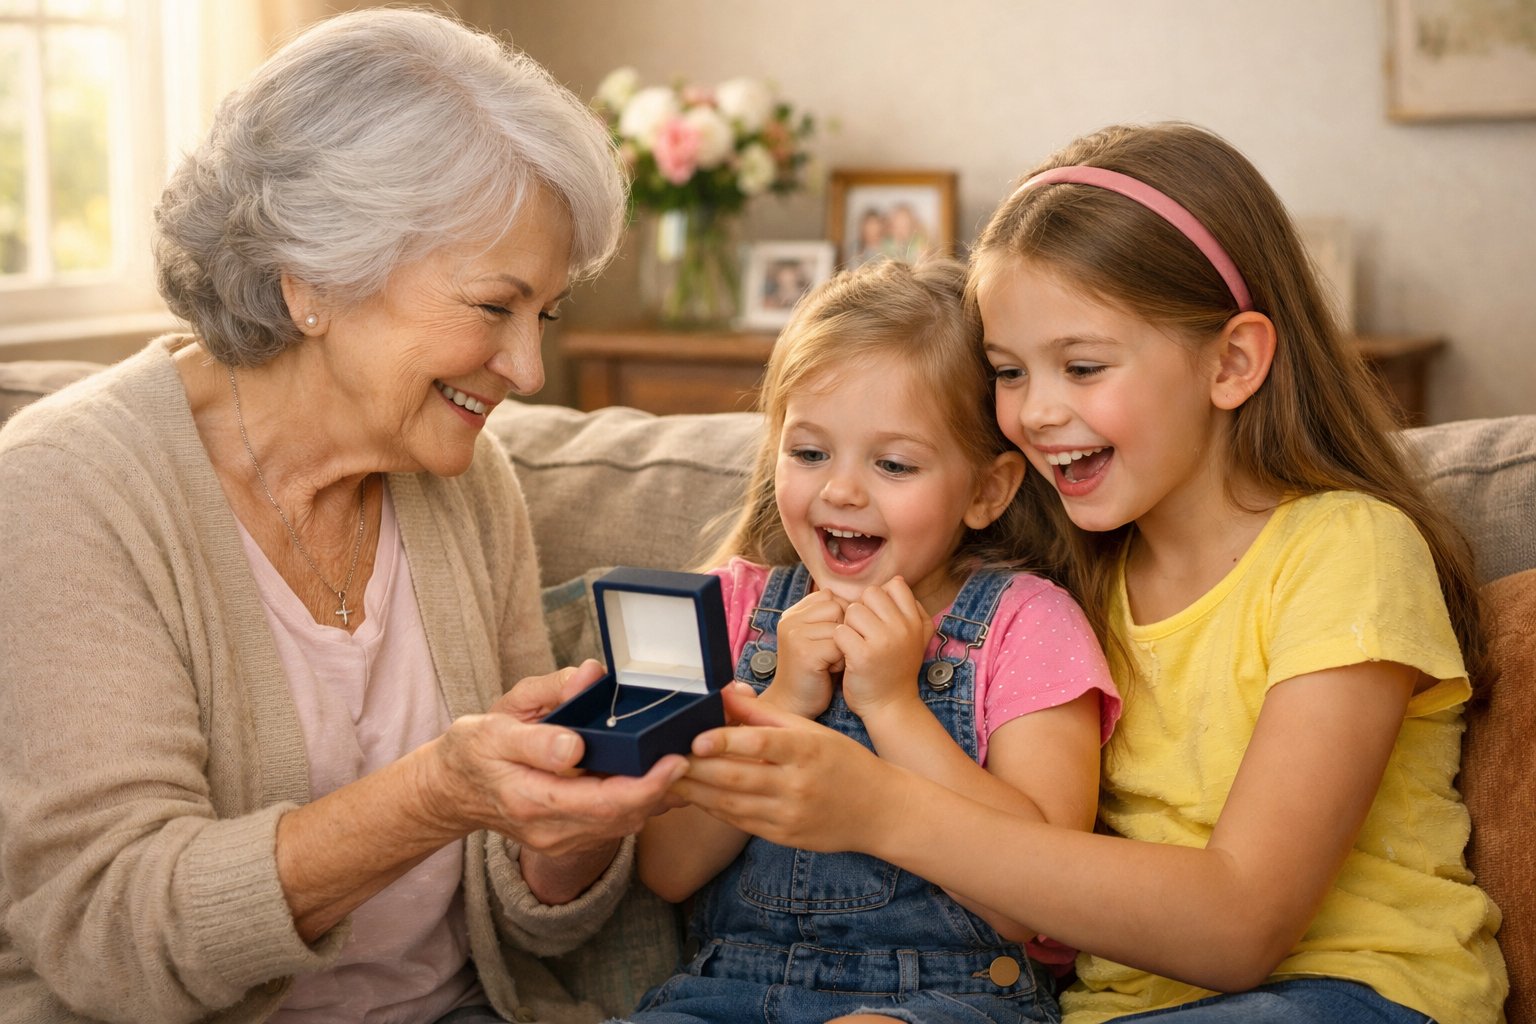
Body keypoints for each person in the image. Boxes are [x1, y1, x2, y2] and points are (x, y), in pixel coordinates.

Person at [671, 122, 1510, 1024]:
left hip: (1347, 996)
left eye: (1081, 365)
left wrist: (879, 811)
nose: (1035, 412)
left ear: (1231, 362)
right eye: (1007, 371)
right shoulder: (1076, 578)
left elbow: (1239, 930)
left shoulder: (1349, 551)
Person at [0, 10, 685, 1023]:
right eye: (493, 307)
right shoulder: (65, 492)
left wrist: (567, 825)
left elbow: (533, 929)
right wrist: (433, 795)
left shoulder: (467, 479)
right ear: (316, 275)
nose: (529, 370)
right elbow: (113, 936)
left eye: (544, 314)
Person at [628, 258, 1121, 1024]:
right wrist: (784, 699)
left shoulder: (1028, 623)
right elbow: (667, 868)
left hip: (950, 999)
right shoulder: (732, 607)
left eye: (893, 464)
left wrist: (892, 705)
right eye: (809, 453)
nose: (841, 491)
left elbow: (1037, 903)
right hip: (724, 991)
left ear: (987, 490)